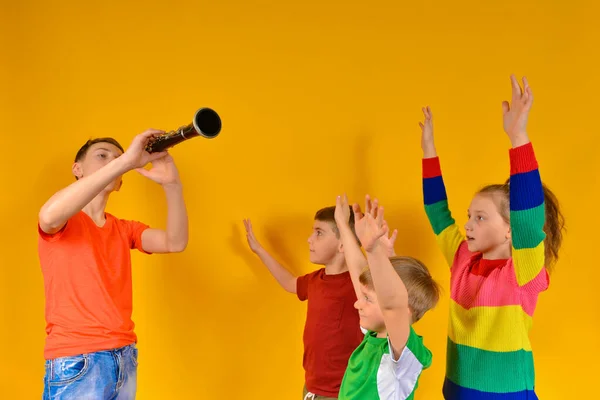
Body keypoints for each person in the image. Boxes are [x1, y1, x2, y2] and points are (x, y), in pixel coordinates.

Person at [419, 75, 565, 399]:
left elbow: (529, 222)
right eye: (470, 216)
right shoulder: (462, 260)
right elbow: (437, 212)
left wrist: (518, 137)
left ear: (509, 229)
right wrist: (429, 149)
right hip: (455, 391)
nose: (468, 225)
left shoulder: (522, 273)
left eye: (481, 217)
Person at [38, 130, 189, 400]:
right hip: (78, 359)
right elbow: (48, 216)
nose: (112, 160)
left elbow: (175, 242)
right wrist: (125, 161)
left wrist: (172, 184)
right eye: (102, 156)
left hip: (124, 357)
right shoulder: (65, 220)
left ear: (119, 183)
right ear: (77, 169)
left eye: (118, 158)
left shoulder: (123, 229)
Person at [243, 206, 368, 399]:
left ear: (343, 244)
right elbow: (288, 282)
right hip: (312, 388)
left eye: (319, 233)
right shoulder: (314, 280)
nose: (309, 239)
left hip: (343, 393)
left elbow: (365, 274)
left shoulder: (359, 285)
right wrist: (259, 250)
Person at [334, 194, 440, 399]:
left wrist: (374, 251)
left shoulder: (404, 355)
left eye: (367, 299)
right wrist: (343, 227)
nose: (357, 303)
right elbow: (360, 274)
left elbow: (393, 305)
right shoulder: (374, 335)